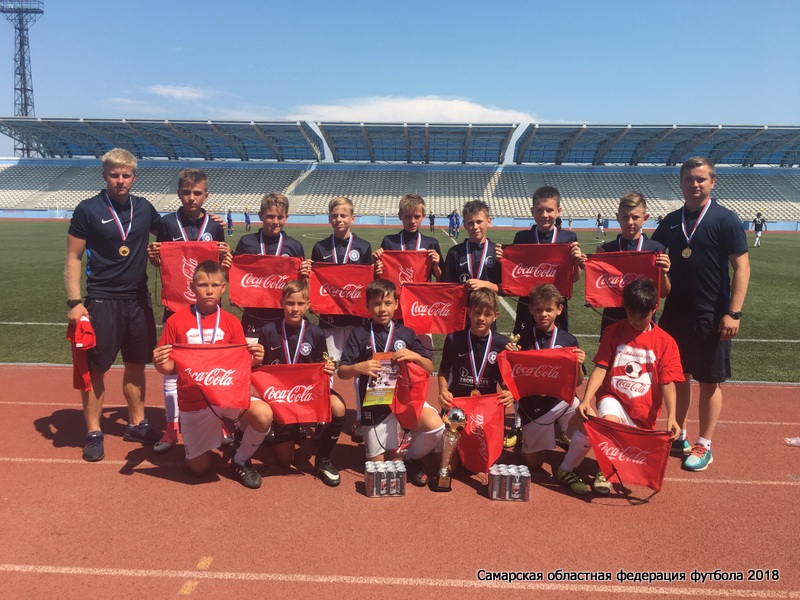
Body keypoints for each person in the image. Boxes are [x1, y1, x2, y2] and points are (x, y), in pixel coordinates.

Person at [652, 157, 749, 471]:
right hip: (674, 314)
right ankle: (678, 433)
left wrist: (734, 313)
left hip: (712, 315)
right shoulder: (671, 221)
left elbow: (742, 267)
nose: (694, 184)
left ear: (712, 182)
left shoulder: (726, 219)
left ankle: (704, 444)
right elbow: (644, 253)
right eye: (688, 179)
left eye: (700, 179)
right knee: (677, 376)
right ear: (680, 183)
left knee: (709, 381)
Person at [65, 148, 163, 462]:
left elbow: (174, 233)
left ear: (134, 177)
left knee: (136, 364)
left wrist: (208, 220)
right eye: (114, 175)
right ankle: (94, 432)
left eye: (126, 175)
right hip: (102, 299)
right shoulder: (88, 209)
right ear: (104, 175)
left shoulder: (144, 208)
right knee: (96, 369)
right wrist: (74, 301)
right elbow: (73, 257)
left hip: (137, 300)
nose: (120, 180)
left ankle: (137, 424)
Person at [557, 278, 684, 495]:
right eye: (631, 314)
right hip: (612, 396)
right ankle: (587, 470)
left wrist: (672, 416)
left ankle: (606, 464)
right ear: (625, 307)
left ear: (654, 308)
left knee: (619, 444)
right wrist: (586, 400)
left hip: (643, 411)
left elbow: (668, 382)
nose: (636, 321)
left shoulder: (666, 342)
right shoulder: (613, 331)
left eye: (642, 316)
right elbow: (601, 368)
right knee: (607, 424)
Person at [153, 261, 271, 489]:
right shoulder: (175, 321)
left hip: (226, 396)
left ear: (223, 288)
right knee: (199, 470)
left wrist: (255, 359)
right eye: (203, 285)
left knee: (264, 414)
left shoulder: (231, 322)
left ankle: (240, 459)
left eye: (215, 285)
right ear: (192, 287)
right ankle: (215, 434)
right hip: (194, 401)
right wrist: (159, 363)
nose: (209, 290)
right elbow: (168, 367)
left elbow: (240, 364)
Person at [146, 168, 231, 453]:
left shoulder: (214, 226)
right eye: (186, 192)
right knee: (172, 371)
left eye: (197, 193)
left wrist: (226, 259)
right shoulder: (167, 223)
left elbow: (218, 267)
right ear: (179, 193)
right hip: (176, 308)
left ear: (206, 195)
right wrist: (154, 258)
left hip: (208, 309)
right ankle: (171, 429)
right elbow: (163, 263)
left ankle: (217, 420)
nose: (191, 198)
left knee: (212, 369)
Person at [338, 279, 440, 486]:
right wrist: (359, 367)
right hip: (375, 403)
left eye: (387, 303)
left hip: (404, 399)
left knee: (436, 428)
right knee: (377, 468)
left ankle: (410, 457)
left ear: (396, 304)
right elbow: (342, 372)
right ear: (367, 306)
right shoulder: (359, 334)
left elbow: (429, 367)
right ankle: (397, 452)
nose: (382, 309)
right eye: (376, 304)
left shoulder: (406, 333)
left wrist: (415, 356)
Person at [257, 280, 343, 486]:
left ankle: (323, 458)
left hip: (307, 394)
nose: (295, 308)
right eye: (290, 303)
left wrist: (328, 368)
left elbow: (323, 366)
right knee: (284, 462)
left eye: (300, 303)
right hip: (281, 399)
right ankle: (290, 430)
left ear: (308, 305)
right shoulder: (268, 331)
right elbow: (260, 370)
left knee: (338, 406)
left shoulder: (316, 333)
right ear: (281, 303)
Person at [438, 288, 515, 476]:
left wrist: (509, 392)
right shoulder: (454, 339)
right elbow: (443, 370)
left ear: (495, 316)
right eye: (477, 313)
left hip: (486, 410)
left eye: (487, 314)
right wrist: (443, 391)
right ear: (469, 312)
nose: (481, 318)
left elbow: (505, 379)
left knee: (484, 464)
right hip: (458, 406)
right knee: (449, 467)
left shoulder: (501, 344)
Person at [511, 284, 585, 472]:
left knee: (588, 420)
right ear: (530, 309)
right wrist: (512, 358)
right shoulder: (523, 340)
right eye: (538, 310)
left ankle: (568, 456)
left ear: (559, 309)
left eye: (549, 309)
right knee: (534, 464)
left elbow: (577, 382)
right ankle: (530, 435)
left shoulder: (568, 340)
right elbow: (512, 380)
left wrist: (578, 364)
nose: (543, 314)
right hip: (533, 406)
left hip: (562, 400)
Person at [234, 192, 309, 342]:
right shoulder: (246, 243)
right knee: (253, 356)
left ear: (286, 217)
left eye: (280, 217)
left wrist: (305, 274)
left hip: (284, 319)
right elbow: (235, 278)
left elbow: (301, 286)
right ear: (260, 215)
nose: (275, 222)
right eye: (270, 216)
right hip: (253, 317)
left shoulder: (294, 246)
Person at [595, 192, 671, 337]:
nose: (630, 222)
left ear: (645, 218)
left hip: (643, 319)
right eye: (625, 217)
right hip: (612, 318)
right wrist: (591, 264)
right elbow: (598, 289)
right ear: (618, 218)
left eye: (635, 217)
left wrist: (663, 273)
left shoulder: (656, 249)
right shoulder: (607, 250)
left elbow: (663, 293)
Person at [310, 196, 372, 362]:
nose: (339, 219)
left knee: (357, 363)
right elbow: (315, 282)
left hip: (356, 316)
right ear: (329, 218)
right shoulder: (320, 247)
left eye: (343, 216)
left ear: (352, 218)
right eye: (334, 215)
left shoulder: (363, 246)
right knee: (327, 363)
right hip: (329, 317)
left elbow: (368, 282)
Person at [441, 200, 502, 301]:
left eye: (479, 222)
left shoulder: (497, 252)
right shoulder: (454, 252)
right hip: (461, 308)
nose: (475, 227)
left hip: (487, 309)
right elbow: (446, 287)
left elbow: (505, 289)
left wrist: (487, 285)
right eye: (470, 223)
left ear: (489, 221)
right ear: (464, 224)